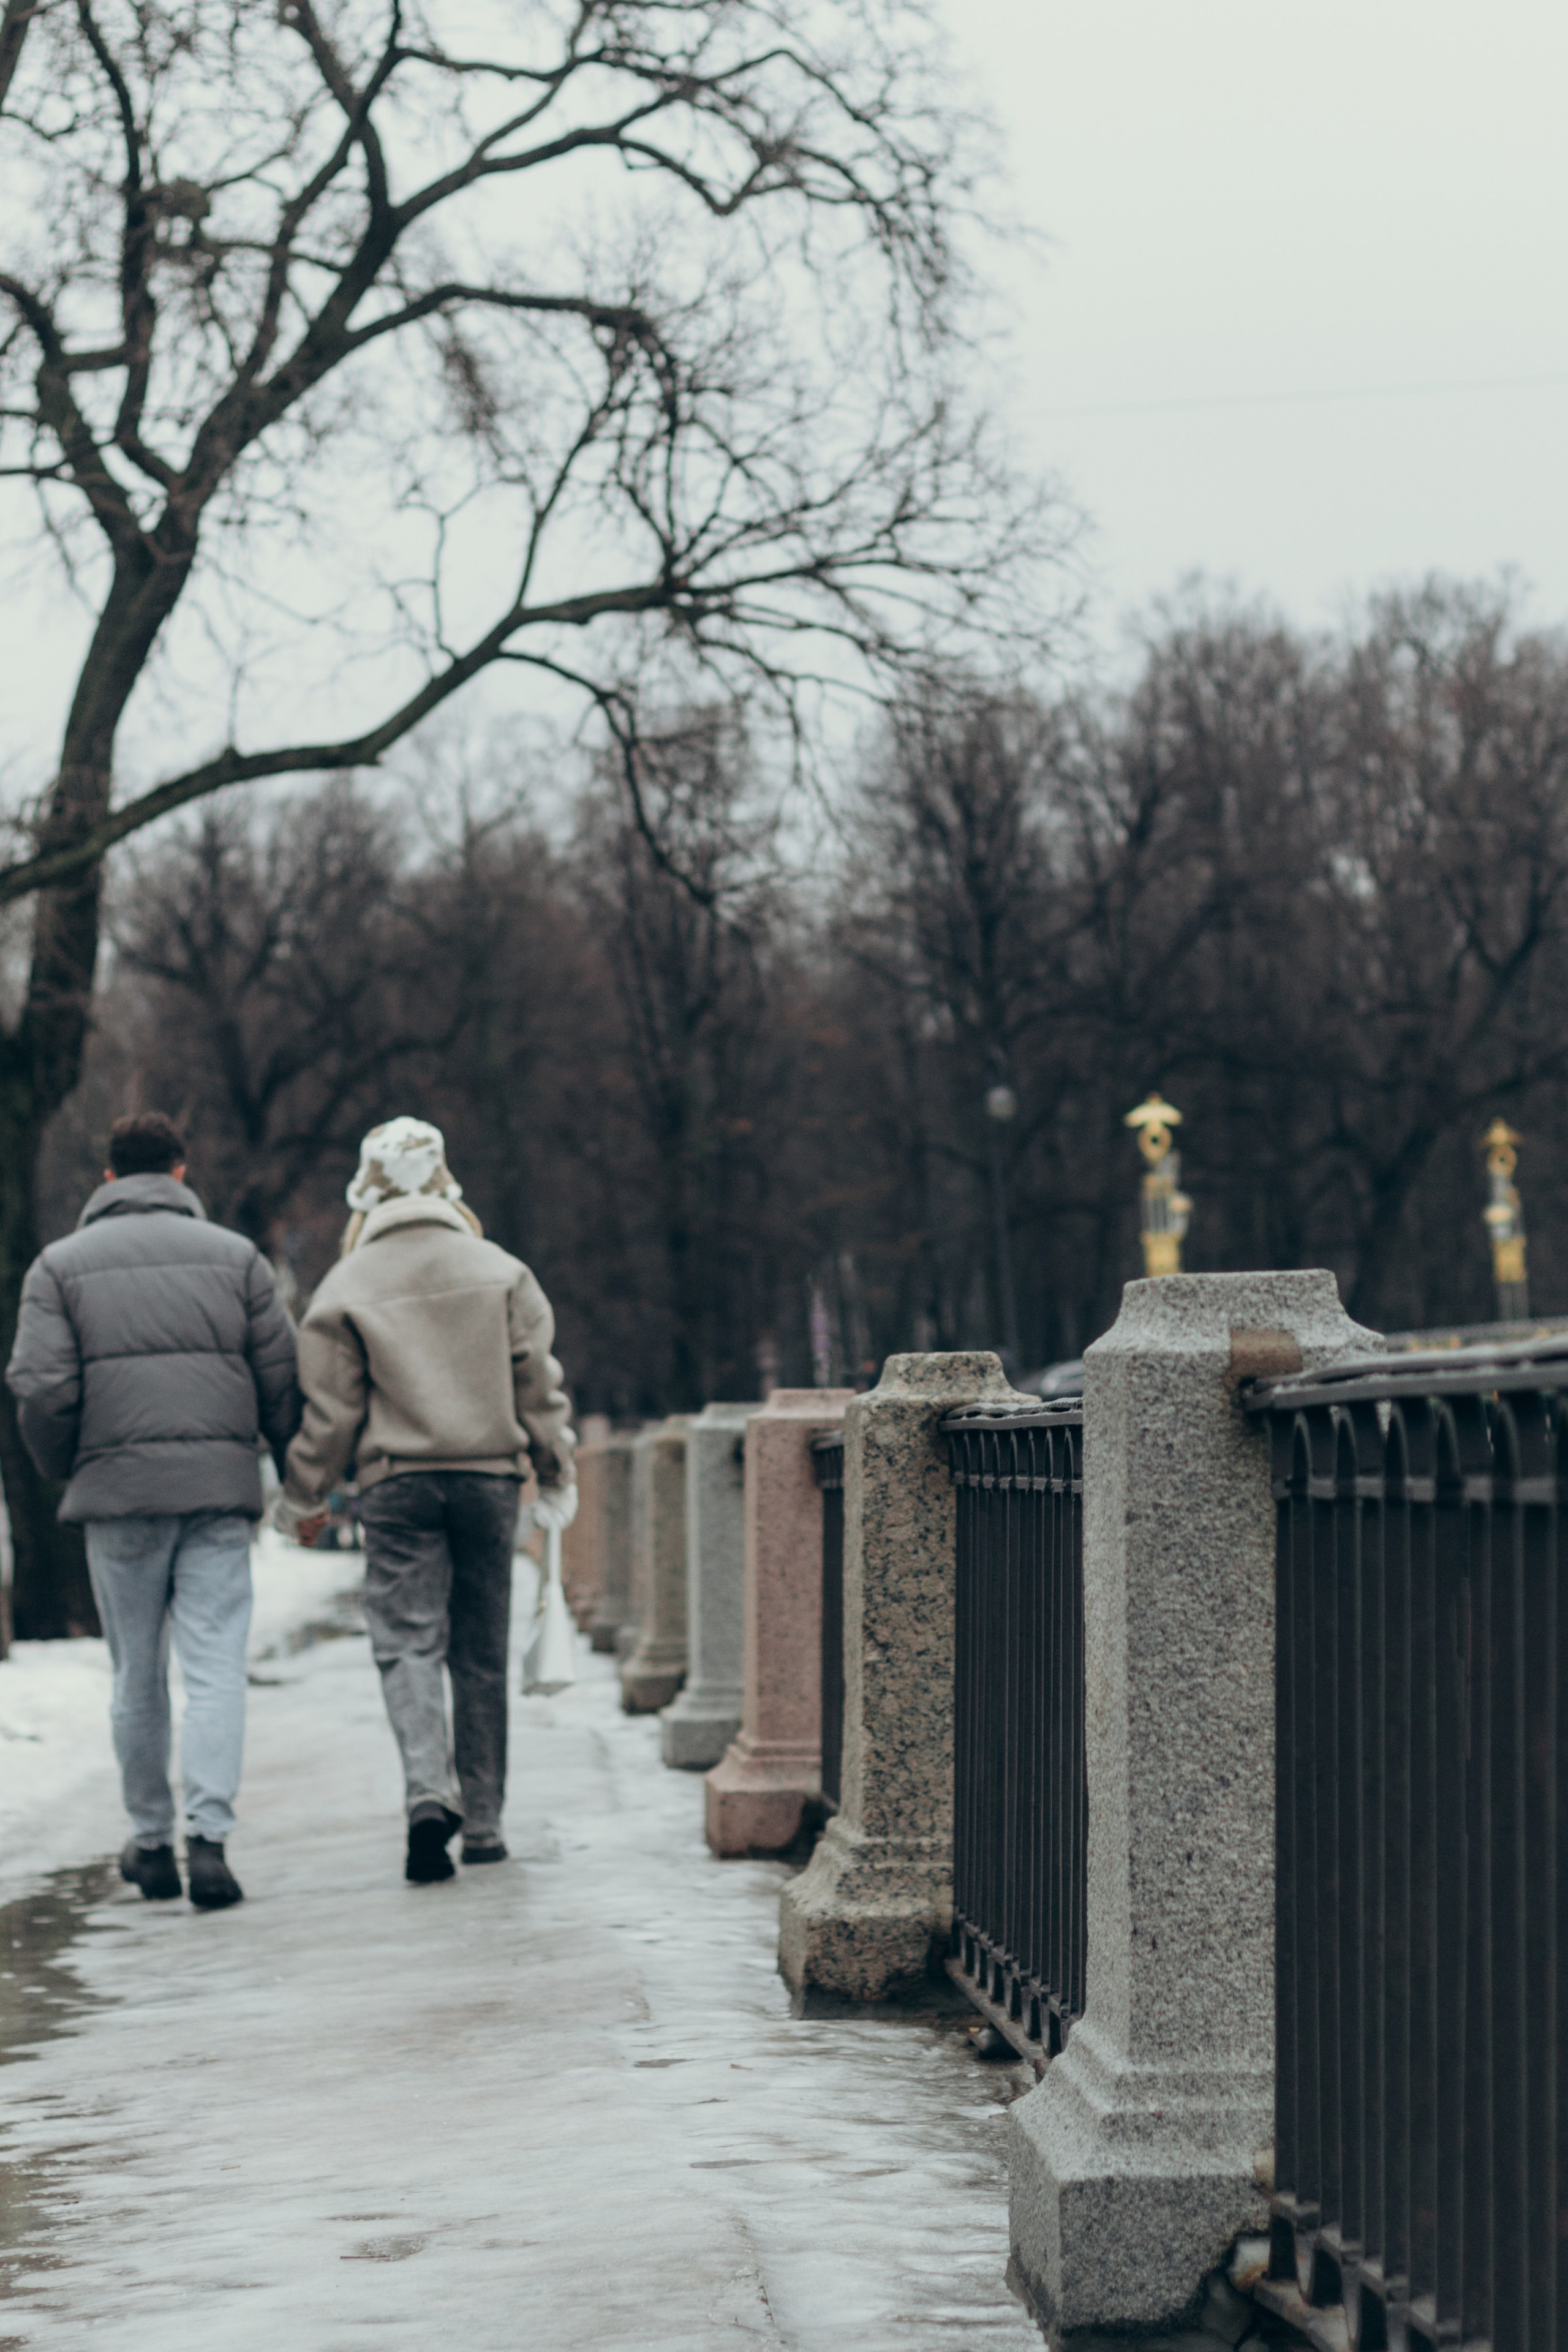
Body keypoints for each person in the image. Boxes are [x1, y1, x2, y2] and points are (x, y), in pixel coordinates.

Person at [6, 1112, 300, 1910]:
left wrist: (68, 1466)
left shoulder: (58, 1268)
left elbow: (38, 1387)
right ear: (180, 1174)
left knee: (136, 1672)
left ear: (108, 1180)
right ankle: (209, 1839)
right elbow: (281, 1379)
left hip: (119, 1497)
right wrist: (289, 1466)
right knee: (213, 1670)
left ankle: (150, 1840)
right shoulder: (238, 1259)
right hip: (215, 1493)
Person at [277, 1118, 575, 1885]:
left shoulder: (345, 1287)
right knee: (480, 1651)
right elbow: (535, 1386)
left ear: (367, 1190)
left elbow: (332, 1413)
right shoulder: (501, 1270)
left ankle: (426, 1792)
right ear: (444, 1181)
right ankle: (483, 1824)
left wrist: (302, 1499)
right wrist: (556, 1470)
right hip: (489, 1479)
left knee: (407, 1643)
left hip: (396, 1486)